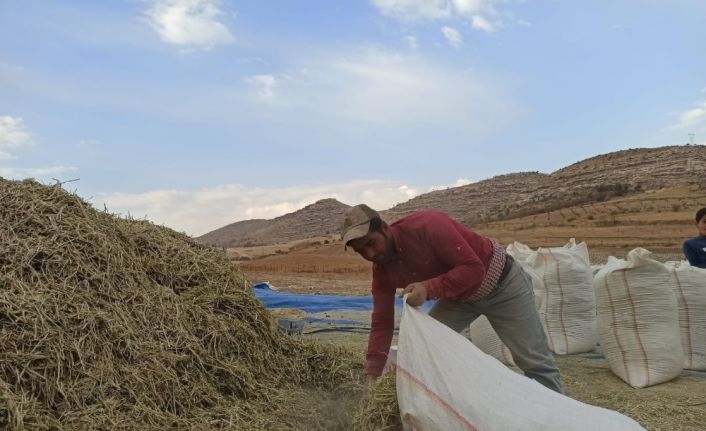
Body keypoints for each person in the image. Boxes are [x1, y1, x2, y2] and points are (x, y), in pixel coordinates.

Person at [341, 204, 565, 394]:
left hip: (502, 286)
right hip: (460, 298)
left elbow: (474, 269)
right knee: (422, 346)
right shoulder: (381, 270)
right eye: (361, 251)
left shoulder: (427, 225)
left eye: (371, 243)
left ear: (385, 228)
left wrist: (428, 289)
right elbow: (382, 323)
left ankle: (560, 418)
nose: (370, 255)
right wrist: (372, 373)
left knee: (535, 362)